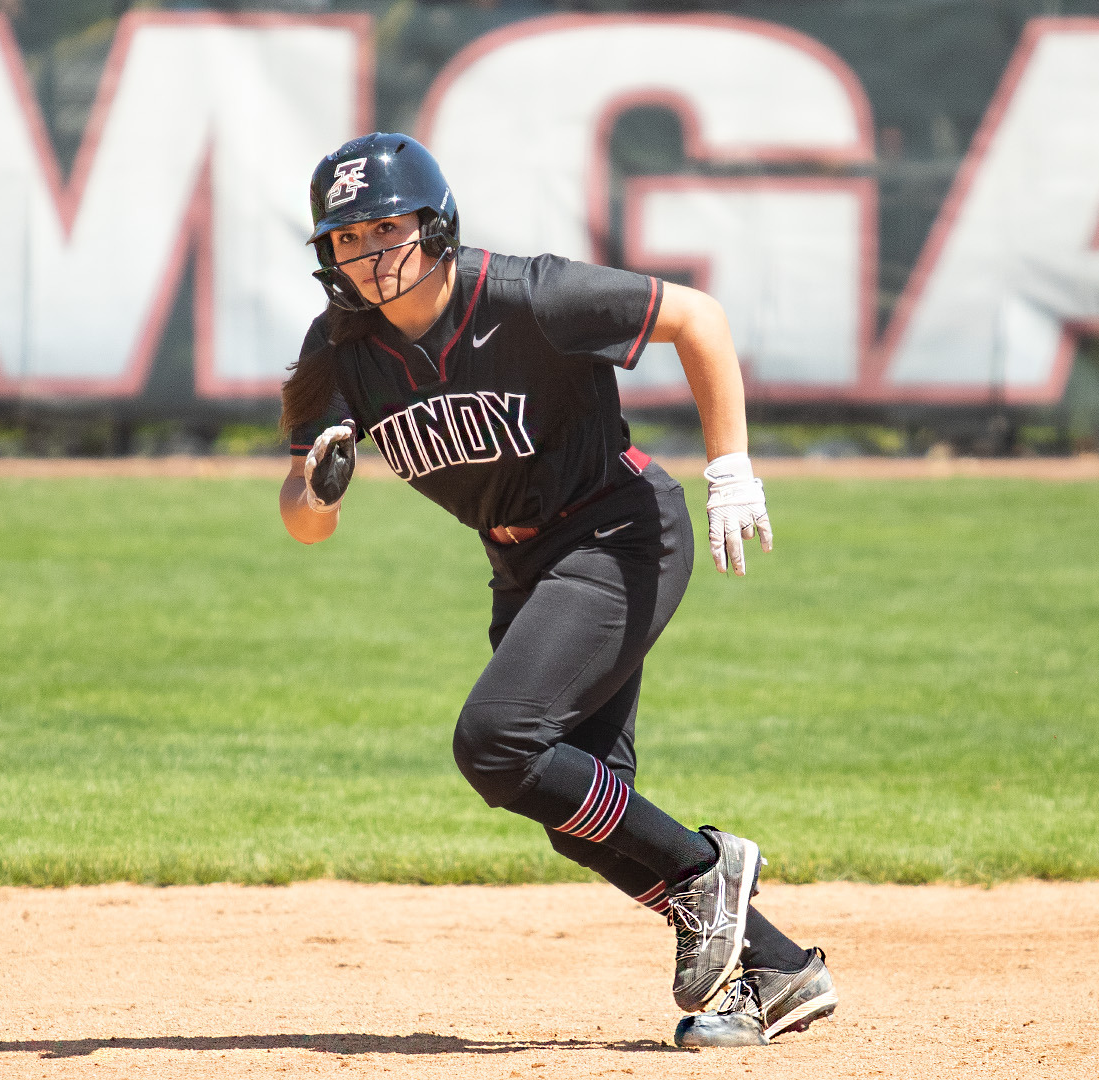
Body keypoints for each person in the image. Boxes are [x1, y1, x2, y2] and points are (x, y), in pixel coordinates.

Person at [277, 133, 837, 1047]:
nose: (370, 254)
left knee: (496, 744)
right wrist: (321, 488)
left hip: (619, 535)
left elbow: (698, 317)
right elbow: (304, 520)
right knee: (579, 813)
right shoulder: (339, 351)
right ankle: (779, 972)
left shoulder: (528, 297)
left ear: (436, 224)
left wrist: (730, 470)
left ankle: (707, 874)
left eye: (387, 228)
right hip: (525, 568)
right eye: (346, 238)